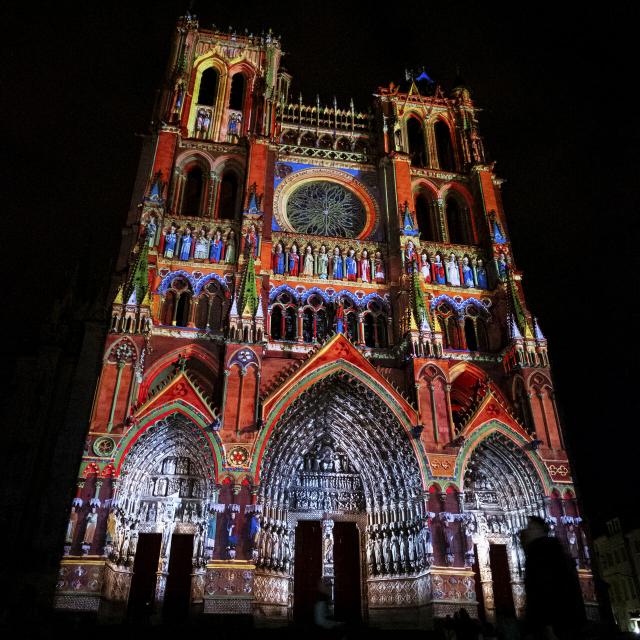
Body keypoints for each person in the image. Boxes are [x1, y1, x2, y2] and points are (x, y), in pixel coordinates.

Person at [521, 516, 586, 639]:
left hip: (556, 624)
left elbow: (545, 590)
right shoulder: (548, 551)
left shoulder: (543, 554)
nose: (527, 531)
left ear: (540, 530)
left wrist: (546, 625)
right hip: (563, 622)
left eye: (531, 528)